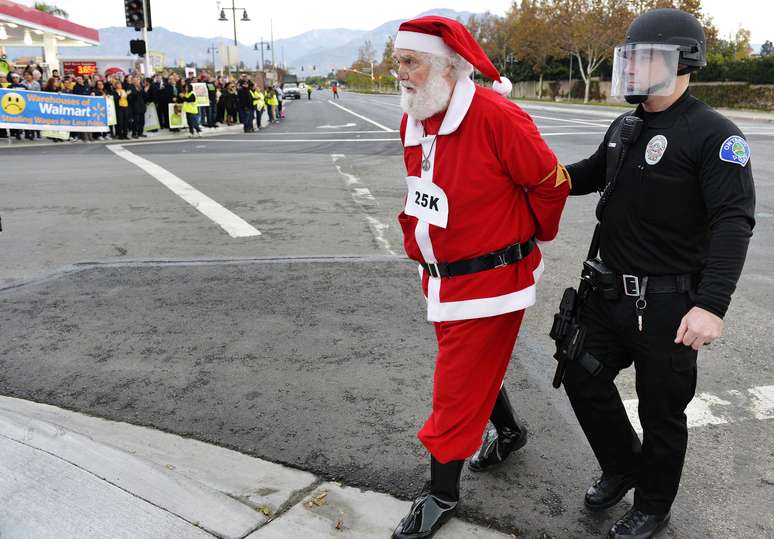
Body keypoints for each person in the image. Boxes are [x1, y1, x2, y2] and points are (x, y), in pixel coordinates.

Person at [560, 9, 756, 539]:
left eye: (644, 57)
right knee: (580, 375)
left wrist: (711, 305)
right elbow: (587, 175)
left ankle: (653, 503)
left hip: (670, 305)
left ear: (681, 61)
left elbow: (733, 223)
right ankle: (624, 465)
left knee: (662, 413)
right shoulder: (626, 124)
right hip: (607, 293)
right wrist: (535, 175)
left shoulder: (714, 134)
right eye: (631, 56)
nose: (632, 67)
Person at [389, 16, 570, 539]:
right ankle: (509, 432)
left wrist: (524, 241)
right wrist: (415, 240)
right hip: (443, 279)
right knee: (470, 370)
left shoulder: (497, 117)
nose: (400, 73)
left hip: (492, 283)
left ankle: (441, 493)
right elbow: (420, 189)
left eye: (411, 62)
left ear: (449, 68)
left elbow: (549, 184)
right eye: (397, 61)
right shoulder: (416, 114)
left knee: (454, 384)